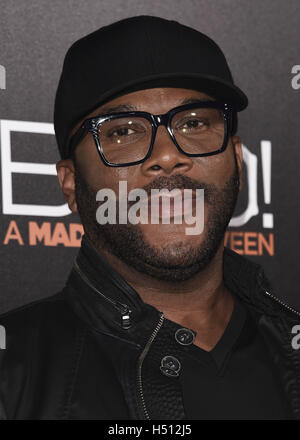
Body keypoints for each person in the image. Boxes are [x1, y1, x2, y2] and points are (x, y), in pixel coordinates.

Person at [0, 15, 299, 421]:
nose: (166, 155)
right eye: (123, 132)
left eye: (194, 122)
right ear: (70, 184)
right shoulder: (12, 373)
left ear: (238, 161)